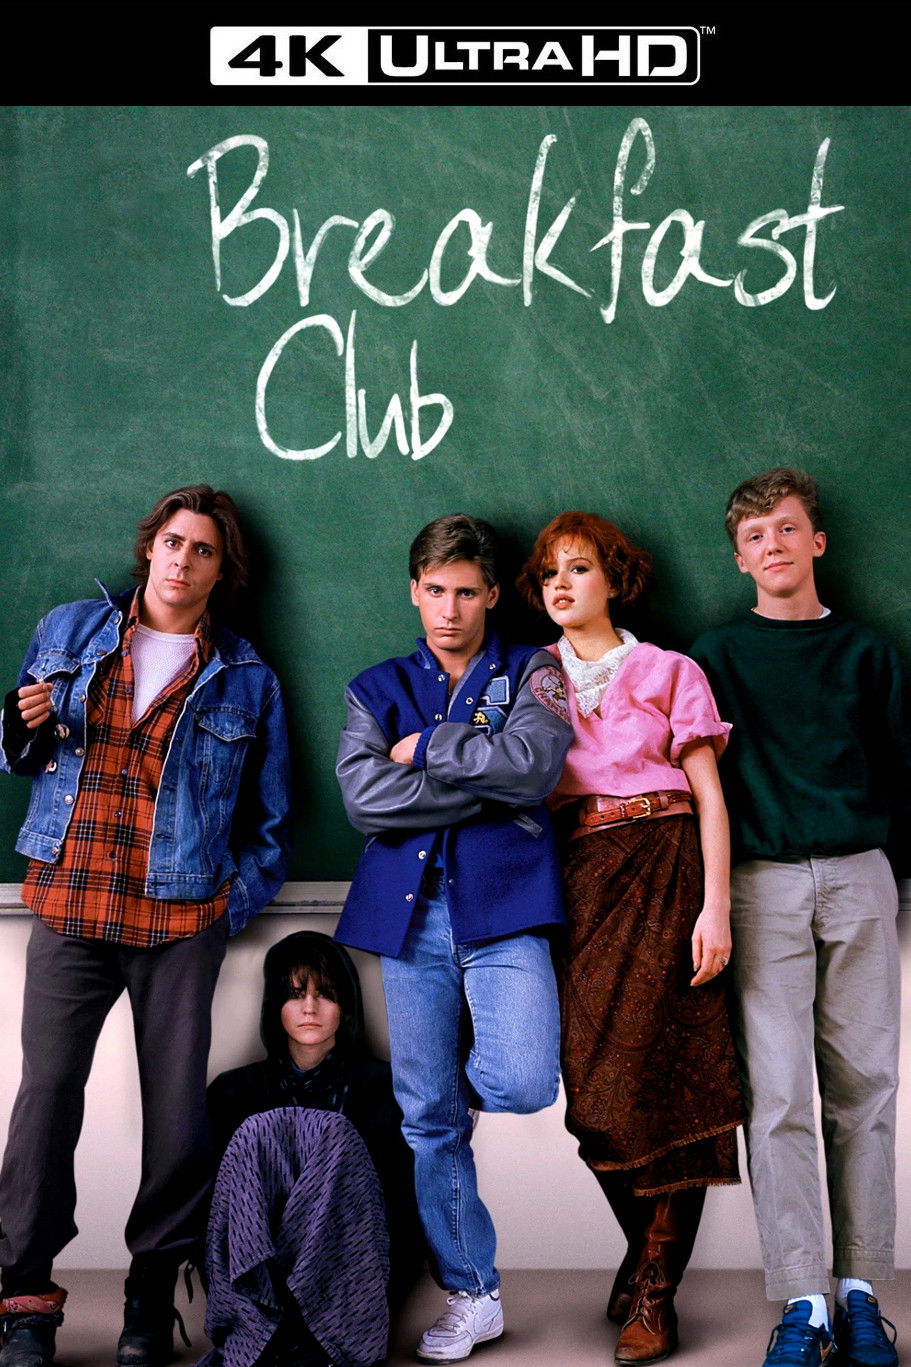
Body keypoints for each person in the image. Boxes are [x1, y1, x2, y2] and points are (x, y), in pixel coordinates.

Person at [0, 485, 292, 1367]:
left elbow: (271, 821)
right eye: (172, 541)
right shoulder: (70, 631)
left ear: (221, 571)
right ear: (150, 548)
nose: (182, 560)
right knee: (45, 1100)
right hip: (71, 900)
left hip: (179, 915)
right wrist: (16, 727)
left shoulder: (245, 676)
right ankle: (24, 1300)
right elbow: (19, 752)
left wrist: (225, 909)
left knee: (175, 1119)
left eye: (202, 549)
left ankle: (149, 1297)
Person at [334, 513, 573, 1363]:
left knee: (520, 1080)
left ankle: (440, 1096)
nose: (448, 608)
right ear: (414, 589)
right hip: (409, 917)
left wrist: (429, 747)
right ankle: (474, 1292)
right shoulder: (374, 686)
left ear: (492, 594)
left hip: (504, 907)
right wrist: (485, 776)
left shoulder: (533, 668)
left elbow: (535, 768)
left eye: (466, 592)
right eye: (434, 590)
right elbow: (365, 801)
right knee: (429, 1122)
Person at [690, 467, 908, 1367]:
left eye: (785, 528)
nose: (771, 545)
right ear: (738, 559)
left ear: (816, 541)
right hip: (761, 883)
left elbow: (898, 768)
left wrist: (880, 868)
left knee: (865, 1089)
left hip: (859, 875)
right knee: (777, 1096)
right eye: (753, 536)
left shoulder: (866, 652)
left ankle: (859, 1292)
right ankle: (802, 1300)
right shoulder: (713, 656)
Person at [517, 510, 744, 1366]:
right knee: (595, 1097)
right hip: (577, 877)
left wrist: (715, 907)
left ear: (614, 578)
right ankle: (647, 1248)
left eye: (578, 568)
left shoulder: (668, 669)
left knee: (671, 1080)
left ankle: (655, 1289)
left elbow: (709, 795)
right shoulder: (530, 676)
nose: (561, 584)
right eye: (548, 573)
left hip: (666, 864)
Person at [200, 930, 424, 1367]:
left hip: (350, 1272)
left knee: (334, 1134)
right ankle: (264, 1329)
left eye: (325, 994)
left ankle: (315, 1332)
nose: (309, 1008)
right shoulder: (232, 1092)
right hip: (258, 1278)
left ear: (346, 1005)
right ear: (275, 1006)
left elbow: (402, 1210)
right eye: (295, 994)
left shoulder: (387, 1089)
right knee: (257, 1131)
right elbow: (214, 1210)